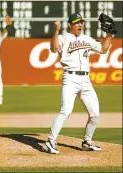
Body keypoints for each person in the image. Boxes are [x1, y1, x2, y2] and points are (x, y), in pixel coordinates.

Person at [41, 13, 113, 154]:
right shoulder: (63, 37)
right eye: (76, 23)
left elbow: (103, 50)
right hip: (70, 78)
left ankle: (87, 142)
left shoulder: (87, 39)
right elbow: (54, 49)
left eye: (81, 22)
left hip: (86, 80)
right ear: (70, 25)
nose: (80, 24)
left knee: (95, 114)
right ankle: (49, 142)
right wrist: (56, 30)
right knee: (65, 111)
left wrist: (109, 34)